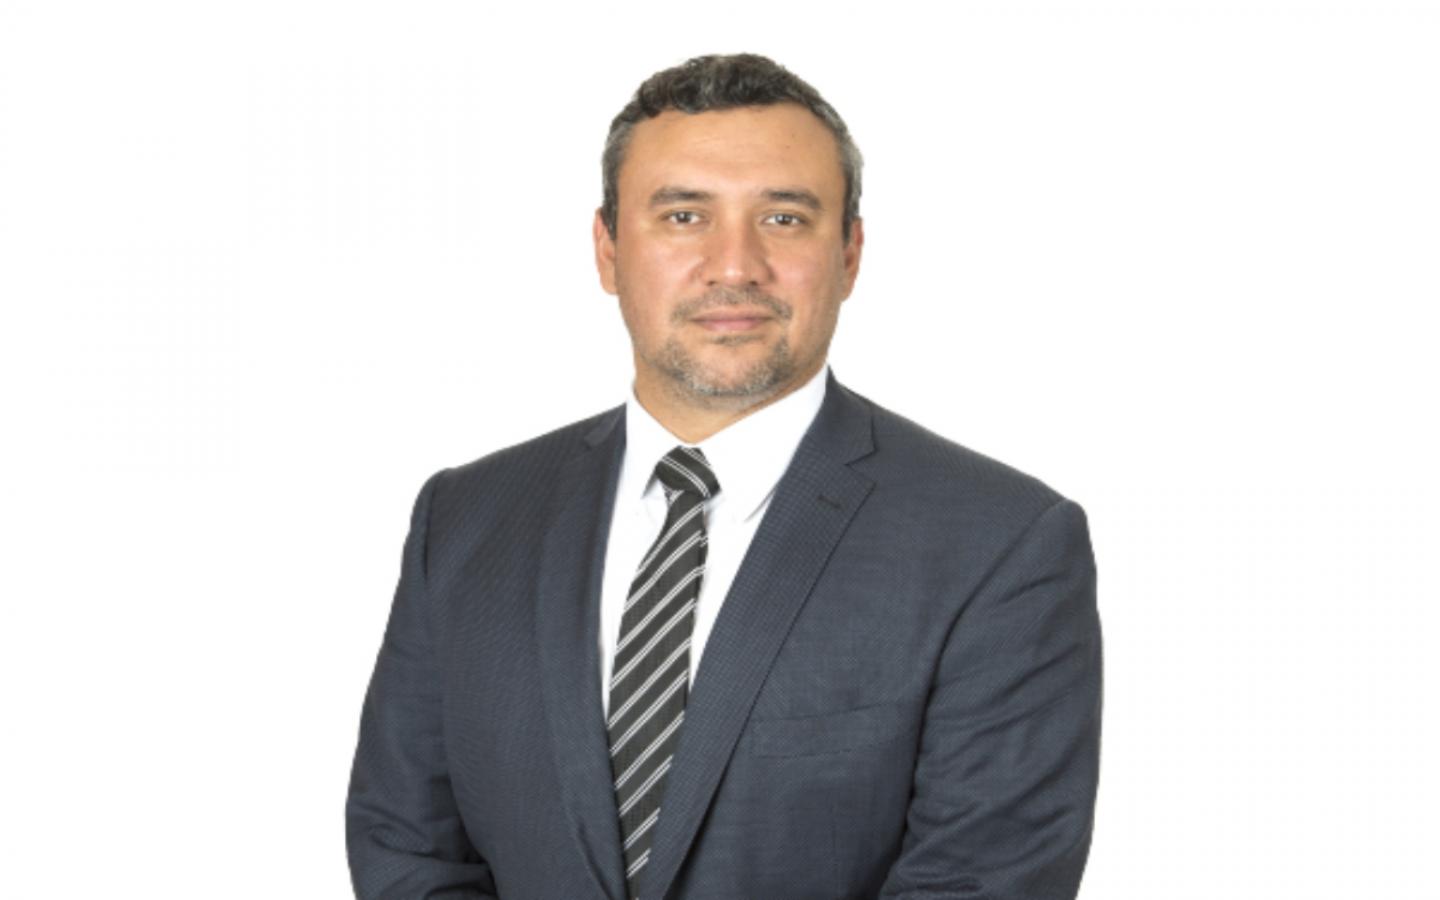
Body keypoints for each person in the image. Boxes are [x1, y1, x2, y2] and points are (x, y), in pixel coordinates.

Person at [346, 53, 1102, 900]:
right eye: (683, 216)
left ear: (850, 253)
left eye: (784, 218)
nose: (734, 265)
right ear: (607, 249)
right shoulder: (467, 520)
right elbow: (407, 848)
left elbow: (980, 881)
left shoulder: (1000, 545)